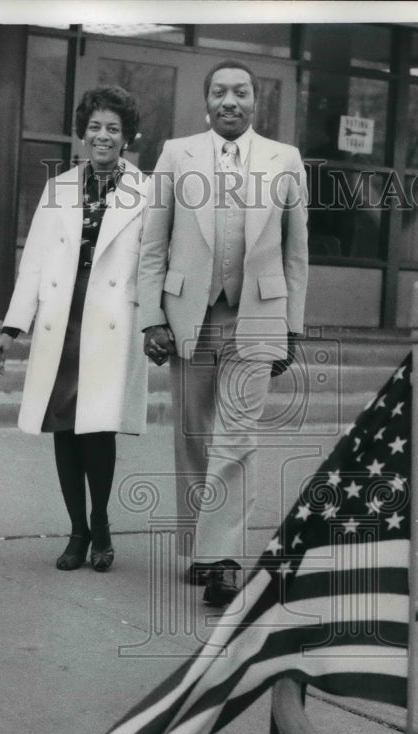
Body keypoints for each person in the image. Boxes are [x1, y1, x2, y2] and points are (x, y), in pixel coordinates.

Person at [137, 59, 309, 607]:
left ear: (257, 101)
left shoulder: (285, 160)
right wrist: (152, 317)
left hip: (258, 316)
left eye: (240, 92)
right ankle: (197, 546)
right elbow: (153, 246)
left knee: (237, 438)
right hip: (190, 314)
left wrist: (292, 328)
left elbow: (296, 253)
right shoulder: (175, 154)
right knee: (192, 434)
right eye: (219, 92)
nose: (229, 100)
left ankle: (223, 560)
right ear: (206, 101)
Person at [0, 86, 148, 572]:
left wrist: (158, 324)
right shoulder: (59, 188)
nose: (103, 136)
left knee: (97, 427)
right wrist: (12, 328)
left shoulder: (148, 190)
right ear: (83, 134)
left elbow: (155, 263)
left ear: (127, 138)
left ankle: (100, 525)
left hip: (113, 320)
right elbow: (35, 259)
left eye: (113, 129)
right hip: (63, 314)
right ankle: (77, 532)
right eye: (95, 127)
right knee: (63, 425)